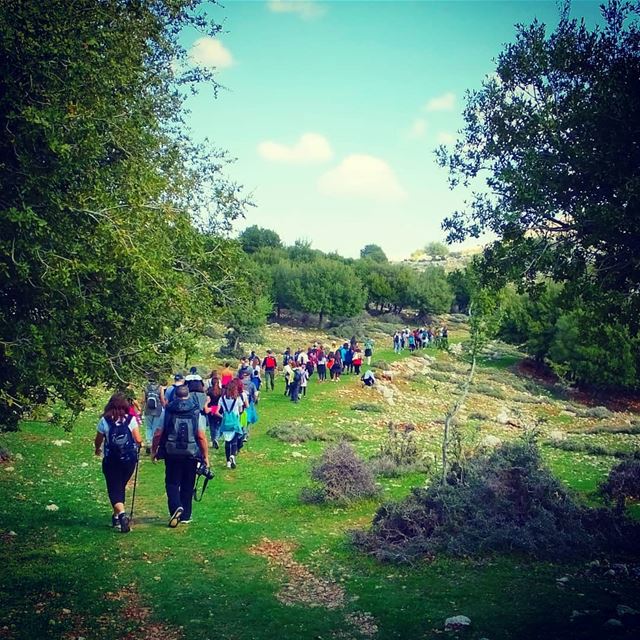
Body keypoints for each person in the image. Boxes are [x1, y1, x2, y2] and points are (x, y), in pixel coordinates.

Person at [152, 384, 208, 527]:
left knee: (172, 482)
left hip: (171, 453)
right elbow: (201, 436)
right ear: (188, 394)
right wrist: (205, 456)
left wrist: (154, 450)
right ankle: (186, 515)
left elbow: (158, 432)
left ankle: (176, 507)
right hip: (191, 453)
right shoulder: (196, 411)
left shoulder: (168, 410)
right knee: (188, 484)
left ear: (175, 395)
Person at [94, 392, 143, 533]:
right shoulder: (130, 419)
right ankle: (116, 516)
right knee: (120, 485)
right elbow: (138, 440)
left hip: (111, 459)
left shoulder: (105, 420)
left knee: (114, 488)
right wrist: (139, 445)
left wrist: (97, 449)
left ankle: (121, 515)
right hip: (129, 459)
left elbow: (98, 439)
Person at [214, 384, 245, 469]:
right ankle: (233, 455)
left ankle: (228, 461)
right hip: (234, 423)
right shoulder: (237, 399)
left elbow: (216, 412)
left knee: (227, 441)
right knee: (234, 441)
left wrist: (223, 416)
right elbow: (241, 410)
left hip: (225, 423)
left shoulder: (222, 399)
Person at [143, 374, 164, 455]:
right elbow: (162, 399)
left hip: (148, 410)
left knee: (148, 427)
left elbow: (143, 400)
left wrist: (141, 410)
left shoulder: (145, 388)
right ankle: (153, 445)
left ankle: (148, 443)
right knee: (155, 428)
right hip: (157, 410)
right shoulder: (160, 388)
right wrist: (164, 407)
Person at [206, 372, 223, 449]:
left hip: (211, 410)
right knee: (218, 425)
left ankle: (213, 439)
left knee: (212, 426)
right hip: (219, 409)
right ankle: (216, 438)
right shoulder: (221, 391)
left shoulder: (209, 391)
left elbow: (207, 400)